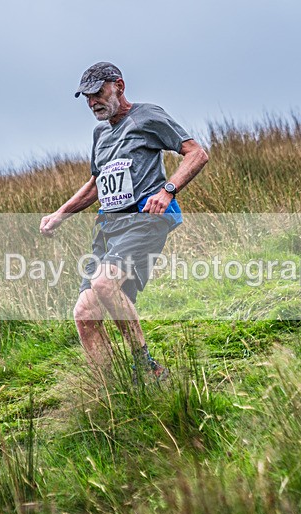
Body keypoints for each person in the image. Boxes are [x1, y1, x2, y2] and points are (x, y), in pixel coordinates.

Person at [39, 61, 208, 385]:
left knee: (104, 284)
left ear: (119, 85)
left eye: (97, 93)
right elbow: (96, 185)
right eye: (86, 97)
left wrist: (168, 190)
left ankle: (147, 366)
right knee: (85, 316)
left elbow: (196, 153)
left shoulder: (147, 116)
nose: (92, 102)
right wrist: (60, 214)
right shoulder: (100, 133)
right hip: (108, 230)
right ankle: (113, 394)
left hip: (144, 221)